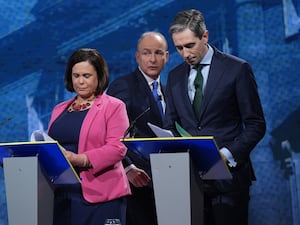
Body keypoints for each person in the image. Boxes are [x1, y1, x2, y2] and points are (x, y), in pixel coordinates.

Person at [164, 9, 266, 225]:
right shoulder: (173, 77)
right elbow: (170, 125)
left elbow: (256, 124)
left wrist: (226, 154)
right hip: (191, 182)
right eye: (179, 48)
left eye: (189, 45)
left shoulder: (237, 69)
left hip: (229, 180)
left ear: (205, 36)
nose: (184, 54)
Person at [47, 48, 131, 225]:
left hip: (101, 196)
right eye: (76, 76)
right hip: (61, 195)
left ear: (99, 77)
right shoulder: (59, 109)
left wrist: (79, 159)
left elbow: (118, 148)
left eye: (86, 76)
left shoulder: (114, 106)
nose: (80, 81)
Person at [106, 31, 169, 225]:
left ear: (166, 57)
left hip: (168, 179)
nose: (152, 59)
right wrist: (127, 167)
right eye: (146, 53)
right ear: (137, 57)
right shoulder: (123, 86)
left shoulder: (169, 90)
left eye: (158, 53)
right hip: (137, 181)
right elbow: (109, 130)